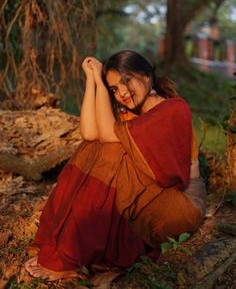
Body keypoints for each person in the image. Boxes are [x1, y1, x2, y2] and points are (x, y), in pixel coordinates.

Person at [24, 50, 206, 281]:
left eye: (126, 81)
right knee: (93, 147)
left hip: (180, 204)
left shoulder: (172, 109)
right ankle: (68, 246)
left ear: (146, 75)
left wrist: (102, 81)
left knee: (112, 148)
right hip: (153, 197)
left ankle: (71, 254)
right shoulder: (132, 113)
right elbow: (90, 132)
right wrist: (94, 81)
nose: (122, 93)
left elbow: (110, 136)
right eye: (114, 89)